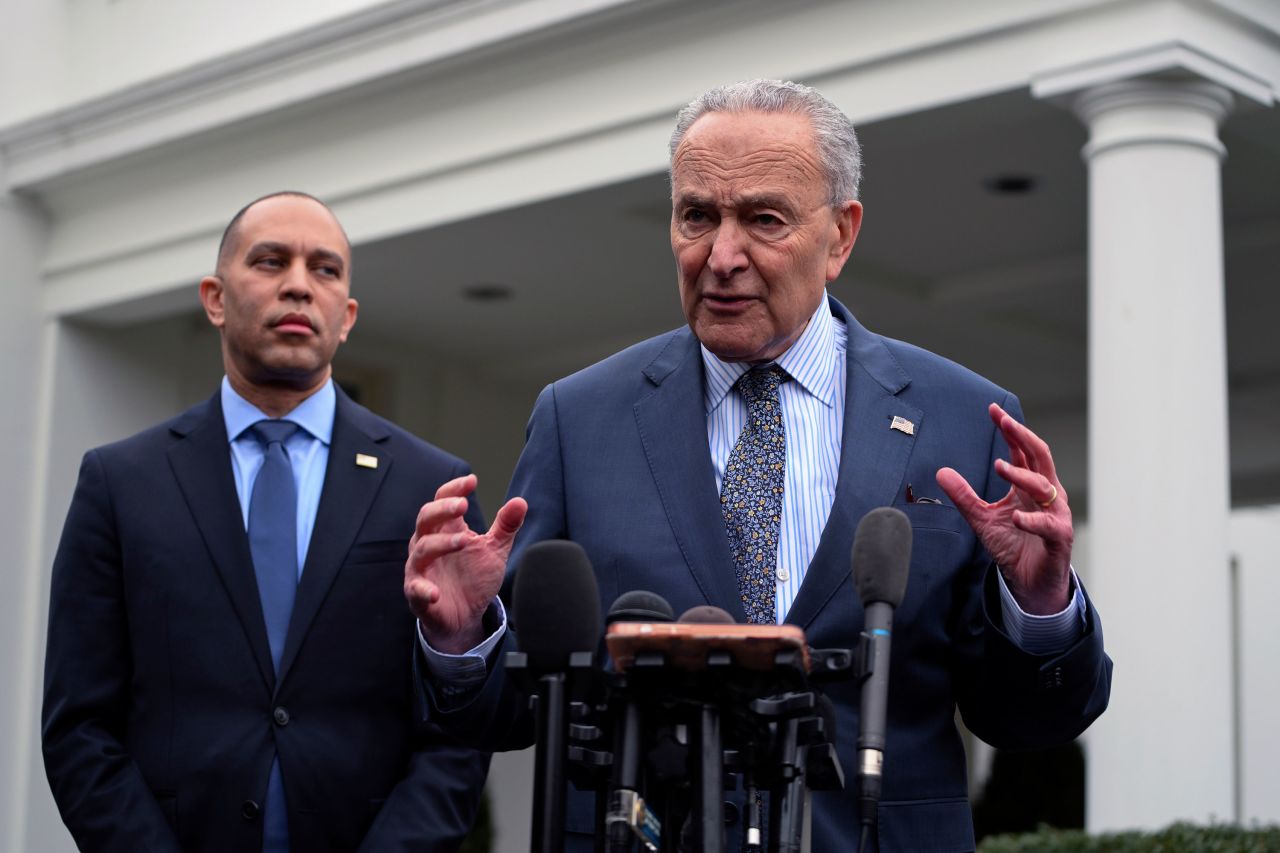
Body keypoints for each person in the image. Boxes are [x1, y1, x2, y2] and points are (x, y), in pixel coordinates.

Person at [405, 80, 1111, 852]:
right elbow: (510, 708)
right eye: (697, 216)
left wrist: (1039, 605)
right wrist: (462, 636)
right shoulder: (579, 418)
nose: (722, 255)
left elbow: (1027, 721)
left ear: (840, 236)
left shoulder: (960, 418)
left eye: (763, 219)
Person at [42, 192, 490, 853]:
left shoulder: (428, 488)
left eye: (326, 269)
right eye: (271, 261)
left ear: (348, 317)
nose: (299, 286)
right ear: (215, 297)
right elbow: (79, 725)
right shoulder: (120, 483)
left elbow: (455, 734)